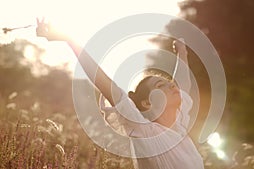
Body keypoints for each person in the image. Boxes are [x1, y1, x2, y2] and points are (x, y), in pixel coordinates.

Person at [36, 18, 204, 169]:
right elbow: (104, 83)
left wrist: (182, 53)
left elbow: (182, 83)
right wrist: (70, 40)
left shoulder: (178, 124)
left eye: (170, 83)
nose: (172, 86)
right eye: (161, 85)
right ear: (147, 103)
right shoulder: (146, 132)